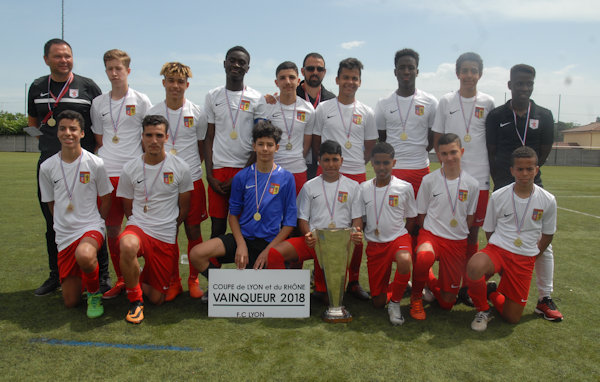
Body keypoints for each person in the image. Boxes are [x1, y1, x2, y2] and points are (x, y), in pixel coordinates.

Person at [28, 38, 110, 296]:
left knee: (96, 219)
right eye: (57, 56)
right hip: (50, 165)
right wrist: (50, 148)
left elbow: (100, 126)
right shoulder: (37, 87)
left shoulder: (87, 87)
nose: (63, 60)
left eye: (67, 56)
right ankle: (56, 275)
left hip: (84, 165)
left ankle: (103, 275)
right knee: (53, 222)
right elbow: (34, 124)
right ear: (46, 60)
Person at [486, 64, 562, 321]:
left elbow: (544, 150)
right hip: (504, 183)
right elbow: (492, 150)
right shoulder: (497, 115)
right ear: (510, 85)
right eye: (519, 84)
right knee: (499, 234)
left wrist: (528, 175)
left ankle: (544, 298)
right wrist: (504, 180)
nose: (524, 88)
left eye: (529, 84)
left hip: (532, 183)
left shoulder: (544, 114)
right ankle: (500, 281)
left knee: (540, 241)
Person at [466, 146, 557, 331]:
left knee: (512, 317)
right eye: (520, 169)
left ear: (536, 170)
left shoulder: (548, 200)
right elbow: (489, 231)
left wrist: (533, 255)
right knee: (475, 265)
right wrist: (498, 255)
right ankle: (483, 309)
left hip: (524, 258)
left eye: (529, 169)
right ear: (512, 170)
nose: (524, 173)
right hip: (499, 250)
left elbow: (548, 234)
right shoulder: (499, 196)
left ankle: (491, 292)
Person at [189, 121, 296, 277]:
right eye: (260, 144)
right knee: (196, 253)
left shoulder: (286, 178)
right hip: (243, 238)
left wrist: (268, 251)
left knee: (263, 292)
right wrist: (241, 245)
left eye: (269, 145)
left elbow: (289, 222)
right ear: (254, 146)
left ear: (276, 148)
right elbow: (233, 215)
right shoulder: (242, 177)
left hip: (270, 243)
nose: (265, 149)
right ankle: (224, 286)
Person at [432, 52, 495, 304]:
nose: (469, 75)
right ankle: (447, 281)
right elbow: (438, 137)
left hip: (478, 180)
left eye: (474, 70)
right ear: (457, 73)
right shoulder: (446, 101)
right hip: (450, 178)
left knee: (471, 234)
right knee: (446, 230)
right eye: (465, 70)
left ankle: (468, 287)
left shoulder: (488, 102)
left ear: (480, 74)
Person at [117, 115, 193, 324]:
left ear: (166, 137)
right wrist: (137, 223)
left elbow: (184, 206)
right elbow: (127, 205)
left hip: (165, 233)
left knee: (158, 299)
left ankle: (134, 276)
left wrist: (170, 225)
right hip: (139, 227)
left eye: (158, 135)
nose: (153, 140)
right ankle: (135, 301)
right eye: (149, 135)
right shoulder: (130, 168)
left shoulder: (180, 167)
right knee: (127, 244)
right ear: (141, 137)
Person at [312, 57, 377, 300]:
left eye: (354, 78)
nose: (350, 82)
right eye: (346, 77)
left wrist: (355, 164)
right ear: (337, 80)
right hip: (327, 172)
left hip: (356, 175)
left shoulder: (366, 112)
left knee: (355, 230)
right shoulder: (323, 109)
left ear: (359, 82)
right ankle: (322, 279)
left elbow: (369, 147)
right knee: (323, 224)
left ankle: (352, 280)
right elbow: (317, 143)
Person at [266, 140, 363, 301]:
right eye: (326, 160)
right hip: (315, 241)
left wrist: (355, 232)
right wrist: (308, 235)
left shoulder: (353, 186)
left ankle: (337, 285)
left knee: (328, 298)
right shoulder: (309, 186)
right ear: (319, 161)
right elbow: (303, 218)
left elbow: (357, 219)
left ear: (341, 161)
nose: (331, 164)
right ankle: (283, 294)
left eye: (334, 159)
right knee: (275, 253)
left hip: (339, 246)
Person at [90, 49, 152, 300]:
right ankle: (122, 280)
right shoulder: (98, 103)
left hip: (135, 173)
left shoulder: (141, 100)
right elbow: (99, 138)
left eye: (119, 68)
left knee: (142, 226)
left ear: (128, 70)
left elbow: (148, 137)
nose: (114, 73)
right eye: (109, 69)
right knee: (113, 231)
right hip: (107, 174)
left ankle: (148, 277)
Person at [38, 110, 113, 318]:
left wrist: (98, 222)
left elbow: (106, 197)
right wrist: (62, 223)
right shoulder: (47, 167)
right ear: (57, 132)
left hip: (90, 227)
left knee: (85, 254)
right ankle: (86, 277)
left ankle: (94, 293)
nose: (67, 133)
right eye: (63, 128)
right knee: (71, 301)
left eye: (73, 129)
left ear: (81, 133)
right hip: (64, 234)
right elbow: (51, 203)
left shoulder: (95, 163)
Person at [145, 62, 208, 301]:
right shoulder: (153, 112)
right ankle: (173, 281)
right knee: (168, 232)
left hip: (191, 180)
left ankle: (193, 280)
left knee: (193, 231)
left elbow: (201, 147)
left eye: (180, 82)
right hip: (162, 184)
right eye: (171, 81)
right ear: (163, 83)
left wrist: (186, 169)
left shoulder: (197, 112)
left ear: (187, 85)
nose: (175, 86)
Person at [410, 133, 479, 320]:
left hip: (457, 241)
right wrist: (429, 232)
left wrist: (456, 232)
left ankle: (428, 279)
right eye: (444, 153)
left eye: (453, 152)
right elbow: (421, 214)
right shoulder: (429, 180)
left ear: (461, 152)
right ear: (438, 155)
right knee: (424, 257)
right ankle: (416, 298)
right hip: (431, 235)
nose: (449, 158)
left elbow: (470, 217)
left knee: (447, 303)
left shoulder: (472, 184)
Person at [204, 46, 266, 239]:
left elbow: (259, 141)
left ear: (248, 68)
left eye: (241, 62)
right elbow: (209, 137)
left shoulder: (257, 98)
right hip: (219, 172)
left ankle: (247, 268)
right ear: (224, 64)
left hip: (246, 170)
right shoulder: (212, 96)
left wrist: (242, 174)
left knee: (247, 227)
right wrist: (209, 175)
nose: (236, 65)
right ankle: (212, 270)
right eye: (232, 60)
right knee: (217, 227)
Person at [361, 142, 416, 325]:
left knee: (405, 260)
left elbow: (411, 218)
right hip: (375, 245)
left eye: (386, 163)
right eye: (378, 163)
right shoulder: (363, 188)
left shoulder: (405, 187)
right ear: (372, 163)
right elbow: (361, 219)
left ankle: (395, 303)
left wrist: (400, 235)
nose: (382, 167)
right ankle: (399, 288)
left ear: (394, 162)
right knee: (377, 302)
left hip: (397, 238)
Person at [376, 48, 438, 196]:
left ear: (417, 71)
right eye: (402, 67)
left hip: (420, 168)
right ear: (395, 71)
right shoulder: (383, 103)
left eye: (411, 68)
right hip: (392, 169)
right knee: (392, 217)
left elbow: (433, 137)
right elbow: (382, 138)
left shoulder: (430, 102)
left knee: (419, 217)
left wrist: (417, 151)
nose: (406, 71)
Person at [263, 61, 315, 195]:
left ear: (298, 81)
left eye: (291, 77)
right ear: (276, 82)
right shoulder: (268, 106)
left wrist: (295, 159)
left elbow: (307, 143)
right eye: (282, 78)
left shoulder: (308, 109)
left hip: (298, 171)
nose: (287, 82)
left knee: (297, 213)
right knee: (273, 212)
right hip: (273, 170)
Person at [296, 53, 336, 180]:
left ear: (324, 72)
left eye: (319, 69)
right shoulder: (291, 97)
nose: (315, 72)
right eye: (310, 68)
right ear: (302, 71)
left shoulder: (332, 100)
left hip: (323, 165)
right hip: (295, 163)